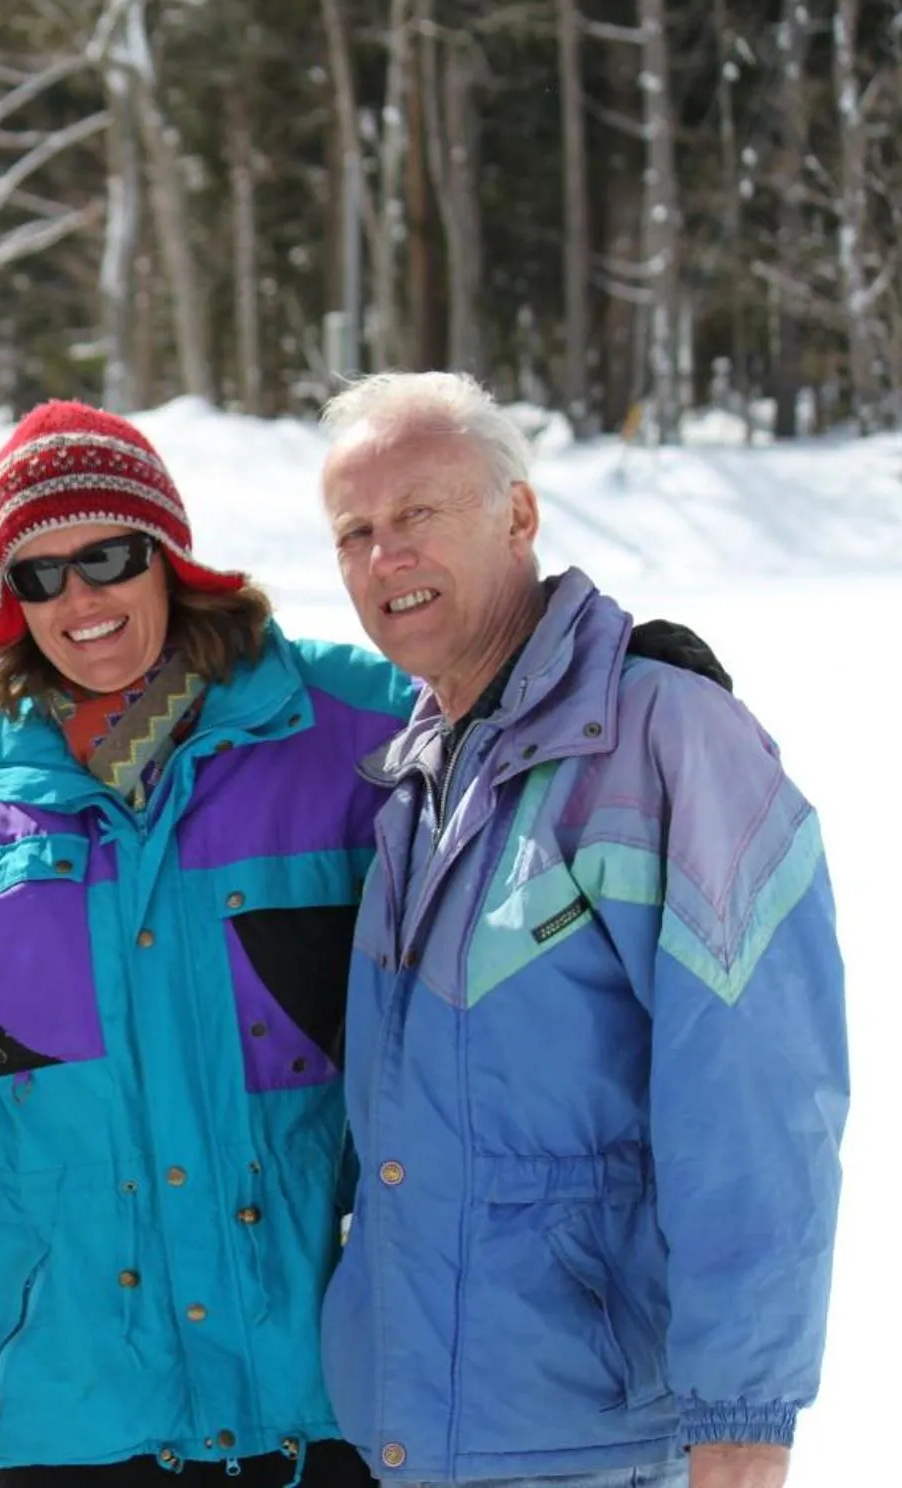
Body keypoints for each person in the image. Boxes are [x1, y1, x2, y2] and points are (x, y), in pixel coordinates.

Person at [315, 372, 848, 1488]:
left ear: (519, 513)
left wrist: (743, 1428)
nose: (385, 556)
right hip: (419, 1429)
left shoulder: (666, 734)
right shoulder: (419, 771)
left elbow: (757, 1103)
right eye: (356, 531)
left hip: (592, 1434)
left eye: (419, 513)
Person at [0, 401, 414, 1487]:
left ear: (169, 554)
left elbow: (520, 736)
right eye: (37, 574)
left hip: (336, 1384)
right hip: (86, 1401)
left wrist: (625, 667)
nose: (77, 596)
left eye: (107, 554)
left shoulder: (353, 726)